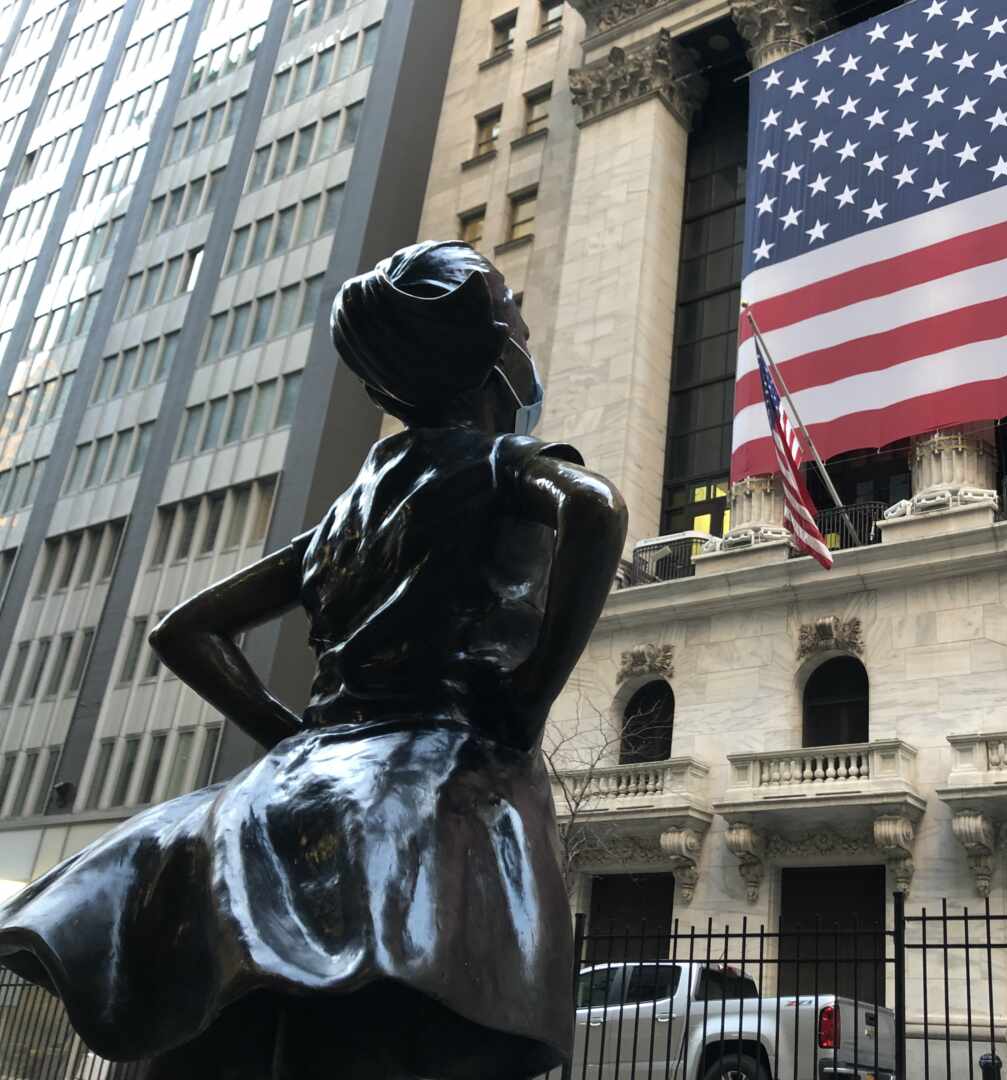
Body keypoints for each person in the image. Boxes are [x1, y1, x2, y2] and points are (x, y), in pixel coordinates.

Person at [0, 242, 626, 1079]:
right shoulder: (494, 464)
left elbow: (184, 631)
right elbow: (596, 509)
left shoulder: (344, 512)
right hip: (429, 776)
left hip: (285, 788)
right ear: (490, 351)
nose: (523, 323)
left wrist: (289, 736)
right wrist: (530, 693)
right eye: (510, 306)